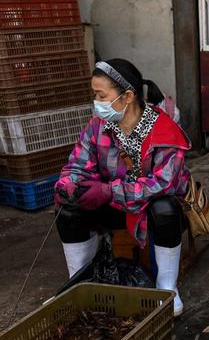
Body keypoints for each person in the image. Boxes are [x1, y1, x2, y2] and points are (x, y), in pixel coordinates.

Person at [54, 59, 190, 316]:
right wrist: (68, 184)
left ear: (127, 96)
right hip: (114, 205)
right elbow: (77, 165)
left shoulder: (164, 130)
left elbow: (163, 184)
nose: (97, 102)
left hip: (149, 208)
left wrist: (107, 191)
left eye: (101, 95)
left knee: (166, 209)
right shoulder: (98, 127)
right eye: (95, 95)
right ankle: (81, 284)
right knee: (69, 211)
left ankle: (167, 289)